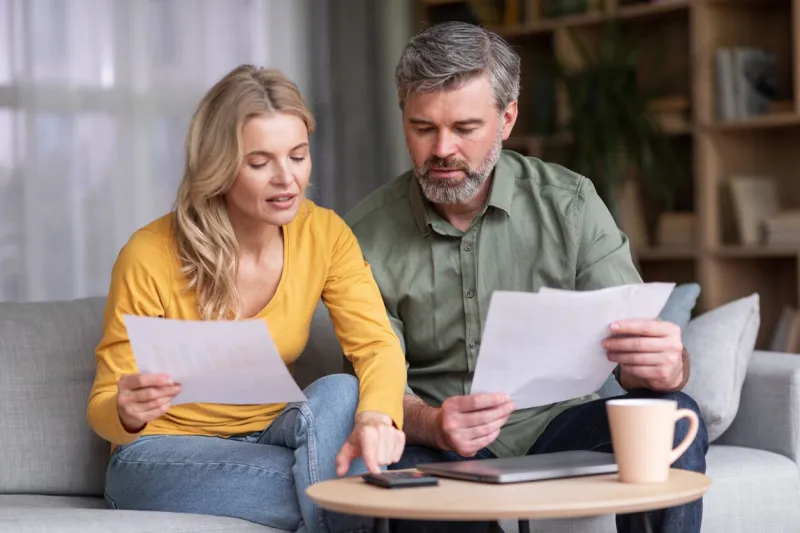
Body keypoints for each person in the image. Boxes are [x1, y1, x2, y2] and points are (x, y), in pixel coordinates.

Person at [345, 21, 708, 533]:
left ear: (507, 118)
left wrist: (667, 367)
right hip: (434, 436)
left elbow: (636, 365)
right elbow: (375, 382)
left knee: (673, 414)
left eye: (466, 128)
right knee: (403, 484)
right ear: (403, 116)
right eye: (423, 127)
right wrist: (432, 422)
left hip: (559, 423)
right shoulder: (362, 234)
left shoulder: (572, 205)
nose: (443, 149)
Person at [87, 64, 407, 533]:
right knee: (344, 489)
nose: (287, 179)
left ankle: (336, 502)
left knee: (345, 391)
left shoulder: (325, 235)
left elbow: (377, 345)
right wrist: (126, 411)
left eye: (298, 156)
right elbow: (103, 400)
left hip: (271, 436)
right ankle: (344, 507)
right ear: (219, 167)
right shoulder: (149, 253)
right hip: (157, 455)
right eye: (260, 163)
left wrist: (378, 419)